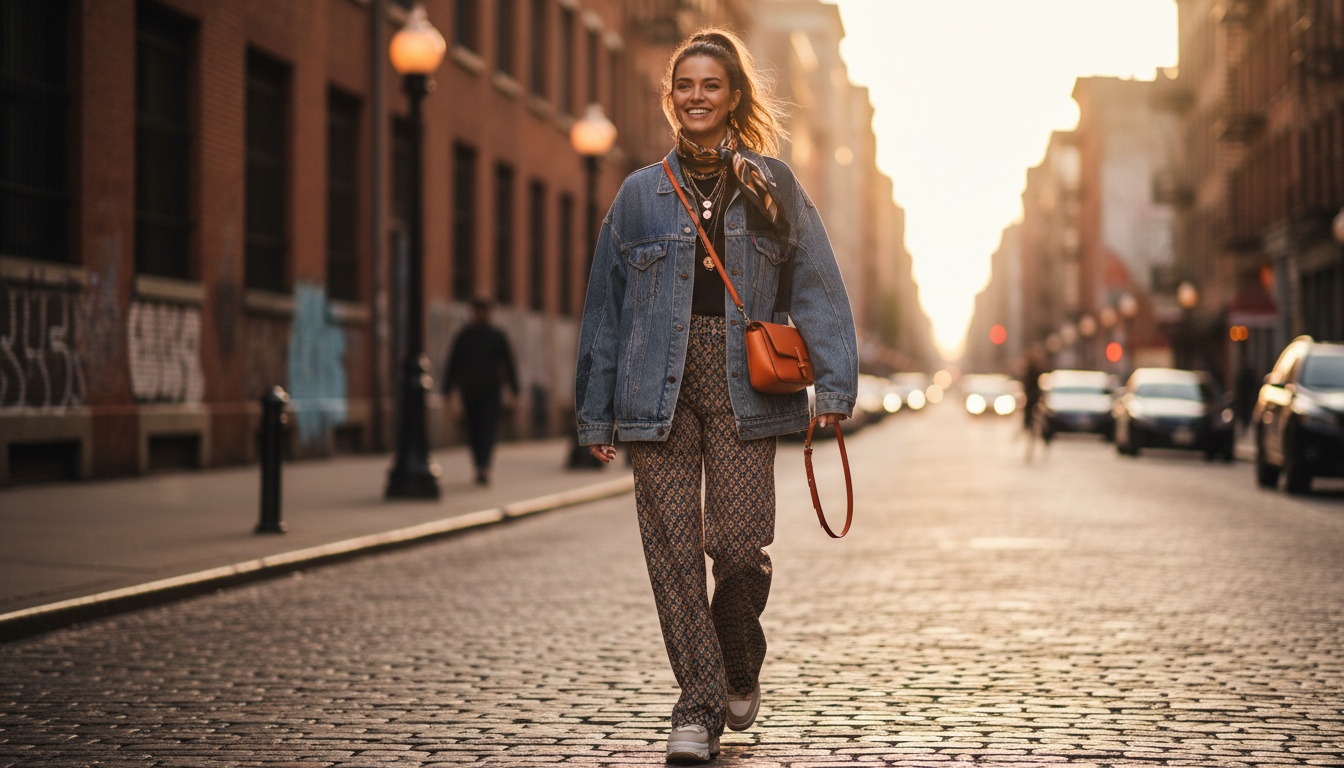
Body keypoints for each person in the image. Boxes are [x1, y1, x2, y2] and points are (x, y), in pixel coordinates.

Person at [573, 29, 858, 764]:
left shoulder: (772, 186)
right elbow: (606, 306)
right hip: (651, 389)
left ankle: (737, 654)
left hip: (746, 386)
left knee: (736, 543)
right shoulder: (639, 194)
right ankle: (696, 707)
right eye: (684, 86)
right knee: (671, 553)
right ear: (671, 98)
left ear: (733, 96)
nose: (695, 97)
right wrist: (597, 408)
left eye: (710, 85)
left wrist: (834, 384)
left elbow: (817, 286)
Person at [443, 296, 519, 485]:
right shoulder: (465, 336)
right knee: (474, 429)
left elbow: (508, 363)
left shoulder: (496, 336)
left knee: (488, 428)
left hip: (491, 392)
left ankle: (484, 465)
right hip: (470, 391)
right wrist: (447, 389)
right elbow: (453, 363)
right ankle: (478, 464)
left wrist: (514, 389)